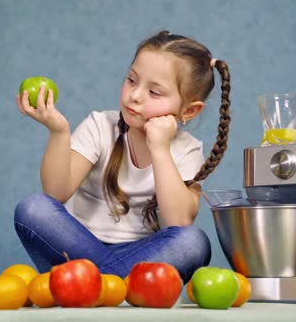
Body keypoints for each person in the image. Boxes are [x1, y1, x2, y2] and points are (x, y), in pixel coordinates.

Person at [14, 30, 231, 283]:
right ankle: (114, 288)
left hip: (142, 257)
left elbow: (178, 220)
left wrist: (160, 149)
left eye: (154, 92)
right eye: (131, 80)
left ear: (189, 110)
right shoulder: (100, 125)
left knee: (193, 242)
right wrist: (58, 131)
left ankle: (91, 285)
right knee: (33, 208)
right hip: (75, 249)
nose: (135, 95)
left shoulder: (187, 149)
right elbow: (56, 193)